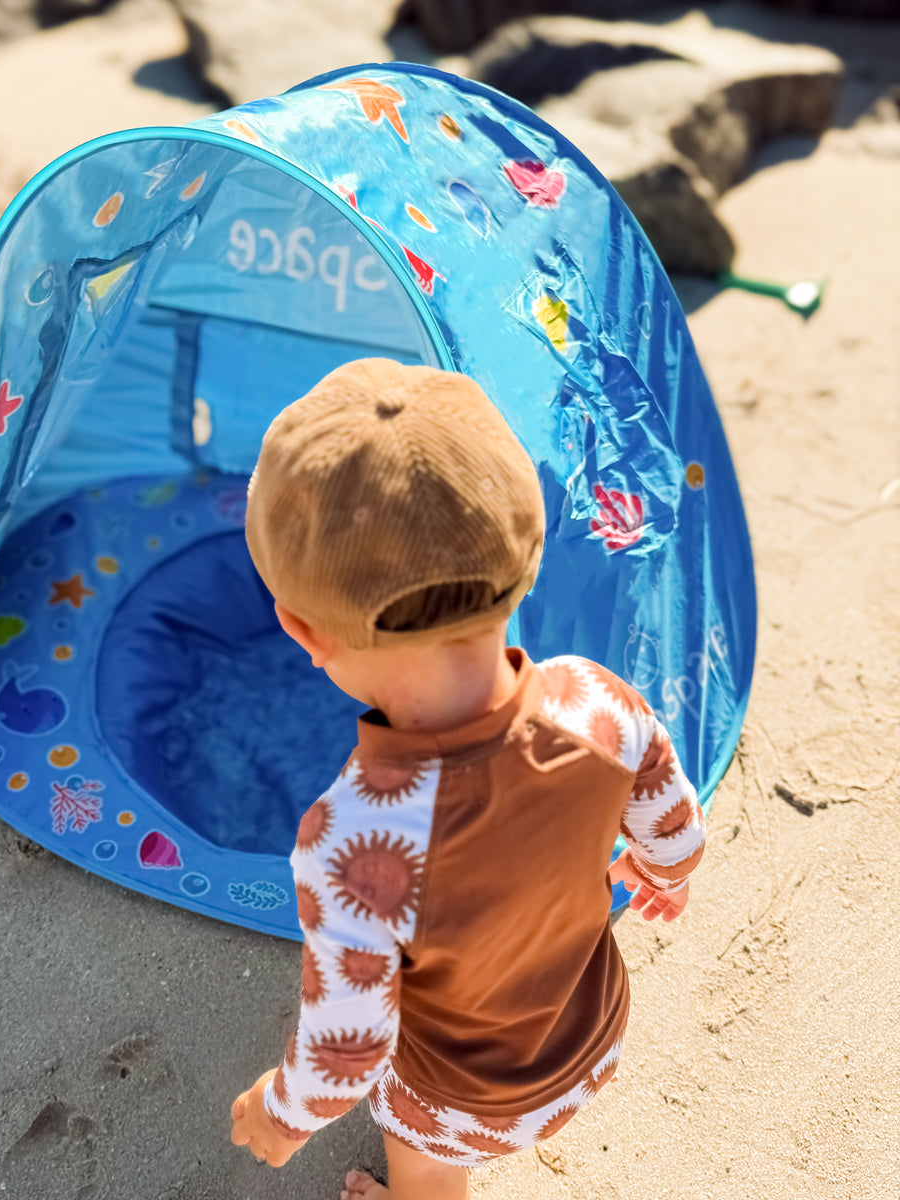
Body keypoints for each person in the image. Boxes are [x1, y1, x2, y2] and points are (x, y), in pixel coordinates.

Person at [229, 358, 705, 1200]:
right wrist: (661, 874)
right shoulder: (596, 703)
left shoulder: (355, 841)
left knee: (428, 1173)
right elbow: (674, 825)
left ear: (301, 632)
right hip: (594, 1036)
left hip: (462, 1105)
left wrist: (282, 1111)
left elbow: (349, 1050)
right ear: (529, 560)